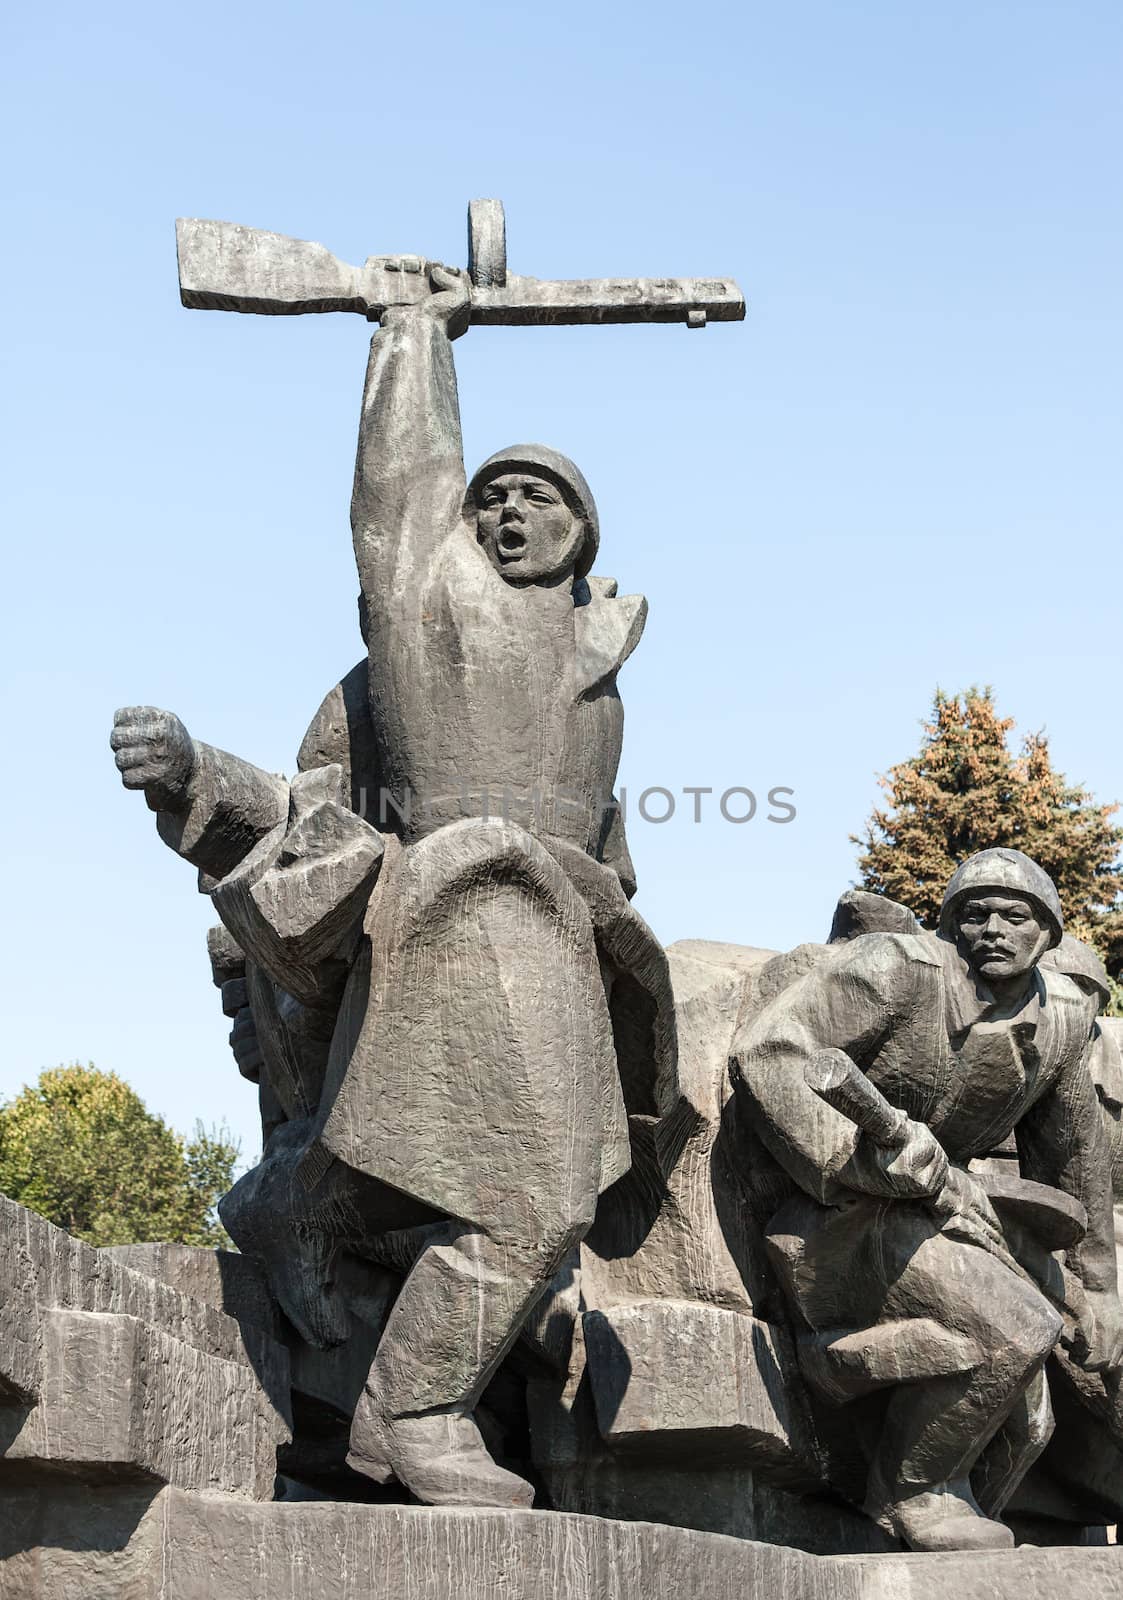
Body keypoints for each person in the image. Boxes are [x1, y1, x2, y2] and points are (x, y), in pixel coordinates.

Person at [110, 261, 673, 1509]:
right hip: (460, 908)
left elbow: (610, 837)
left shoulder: (592, 667)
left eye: (545, 500)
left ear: (587, 536)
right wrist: (414, 335)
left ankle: (293, 1202)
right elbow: (401, 505)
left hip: (564, 928)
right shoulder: (433, 616)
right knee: (525, 1201)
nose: (513, 514)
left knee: (521, 1191)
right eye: (497, 498)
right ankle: (412, 1416)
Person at [731, 848, 1122, 1552]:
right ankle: (912, 1496)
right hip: (837, 1210)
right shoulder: (892, 968)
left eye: (1015, 916)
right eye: (974, 915)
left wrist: (1096, 1287)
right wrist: (859, 1159)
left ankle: (854, 1371)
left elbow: (1072, 1157)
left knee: (1031, 1408)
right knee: (1009, 1329)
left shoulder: (1062, 1018)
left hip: (948, 1211)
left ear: (1048, 934)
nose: (993, 930)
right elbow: (771, 1050)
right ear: (948, 926)